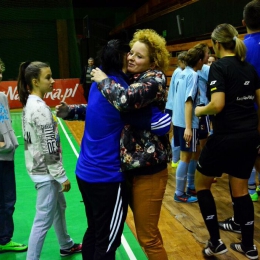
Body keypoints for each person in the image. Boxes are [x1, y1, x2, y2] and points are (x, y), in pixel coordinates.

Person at [91, 29, 171, 260]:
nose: (131, 58)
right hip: (131, 169)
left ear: (153, 61)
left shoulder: (154, 78)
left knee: (147, 238)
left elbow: (125, 100)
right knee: (148, 234)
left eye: (139, 56)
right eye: (131, 53)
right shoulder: (132, 78)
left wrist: (103, 79)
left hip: (149, 171)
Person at [194, 23, 260, 259]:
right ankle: (249, 247)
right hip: (249, 137)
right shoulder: (249, 69)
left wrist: (199, 111)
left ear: (217, 44)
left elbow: (218, 104)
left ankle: (215, 243)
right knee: (241, 190)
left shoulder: (219, 67)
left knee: (201, 184)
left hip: (225, 138)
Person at [17, 61, 82, 260]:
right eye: (48, 77)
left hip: (39, 169)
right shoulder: (40, 109)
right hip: (45, 173)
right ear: (35, 82)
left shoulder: (30, 104)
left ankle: (66, 245)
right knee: (42, 219)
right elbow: (49, 146)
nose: (52, 81)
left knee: (58, 206)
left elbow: (31, 140)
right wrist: (61, 176)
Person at [218, 0, 260, 233]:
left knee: (239, 177)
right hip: (251, 121)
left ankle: (238, 222)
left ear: (243, 23)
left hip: (245, 123)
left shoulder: (242, 49)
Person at [172, 43, 209, 203]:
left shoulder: (181, 72)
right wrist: (189, 127)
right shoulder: (193, 75)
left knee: (194, 152)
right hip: (188, 122)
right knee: (186, 156)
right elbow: (188, 102)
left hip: (179, 120)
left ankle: (190, 186)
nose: (208, 58)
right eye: (206, 56)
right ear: (200, 60)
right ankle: (179, 193)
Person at [0, 59, 28, 254]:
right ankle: (3, 239)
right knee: (5, 201)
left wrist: (9, 145)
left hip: (6, 157)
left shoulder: (1, 97)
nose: (0, 76)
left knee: (7, 200)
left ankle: (3, 238)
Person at [165, 51, 187, 168]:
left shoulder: (178, 72)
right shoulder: (180, 73)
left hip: (172, 106)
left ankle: (174, 159)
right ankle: (174, 159)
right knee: (178, 134)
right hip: (174, 107)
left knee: (176, 134)